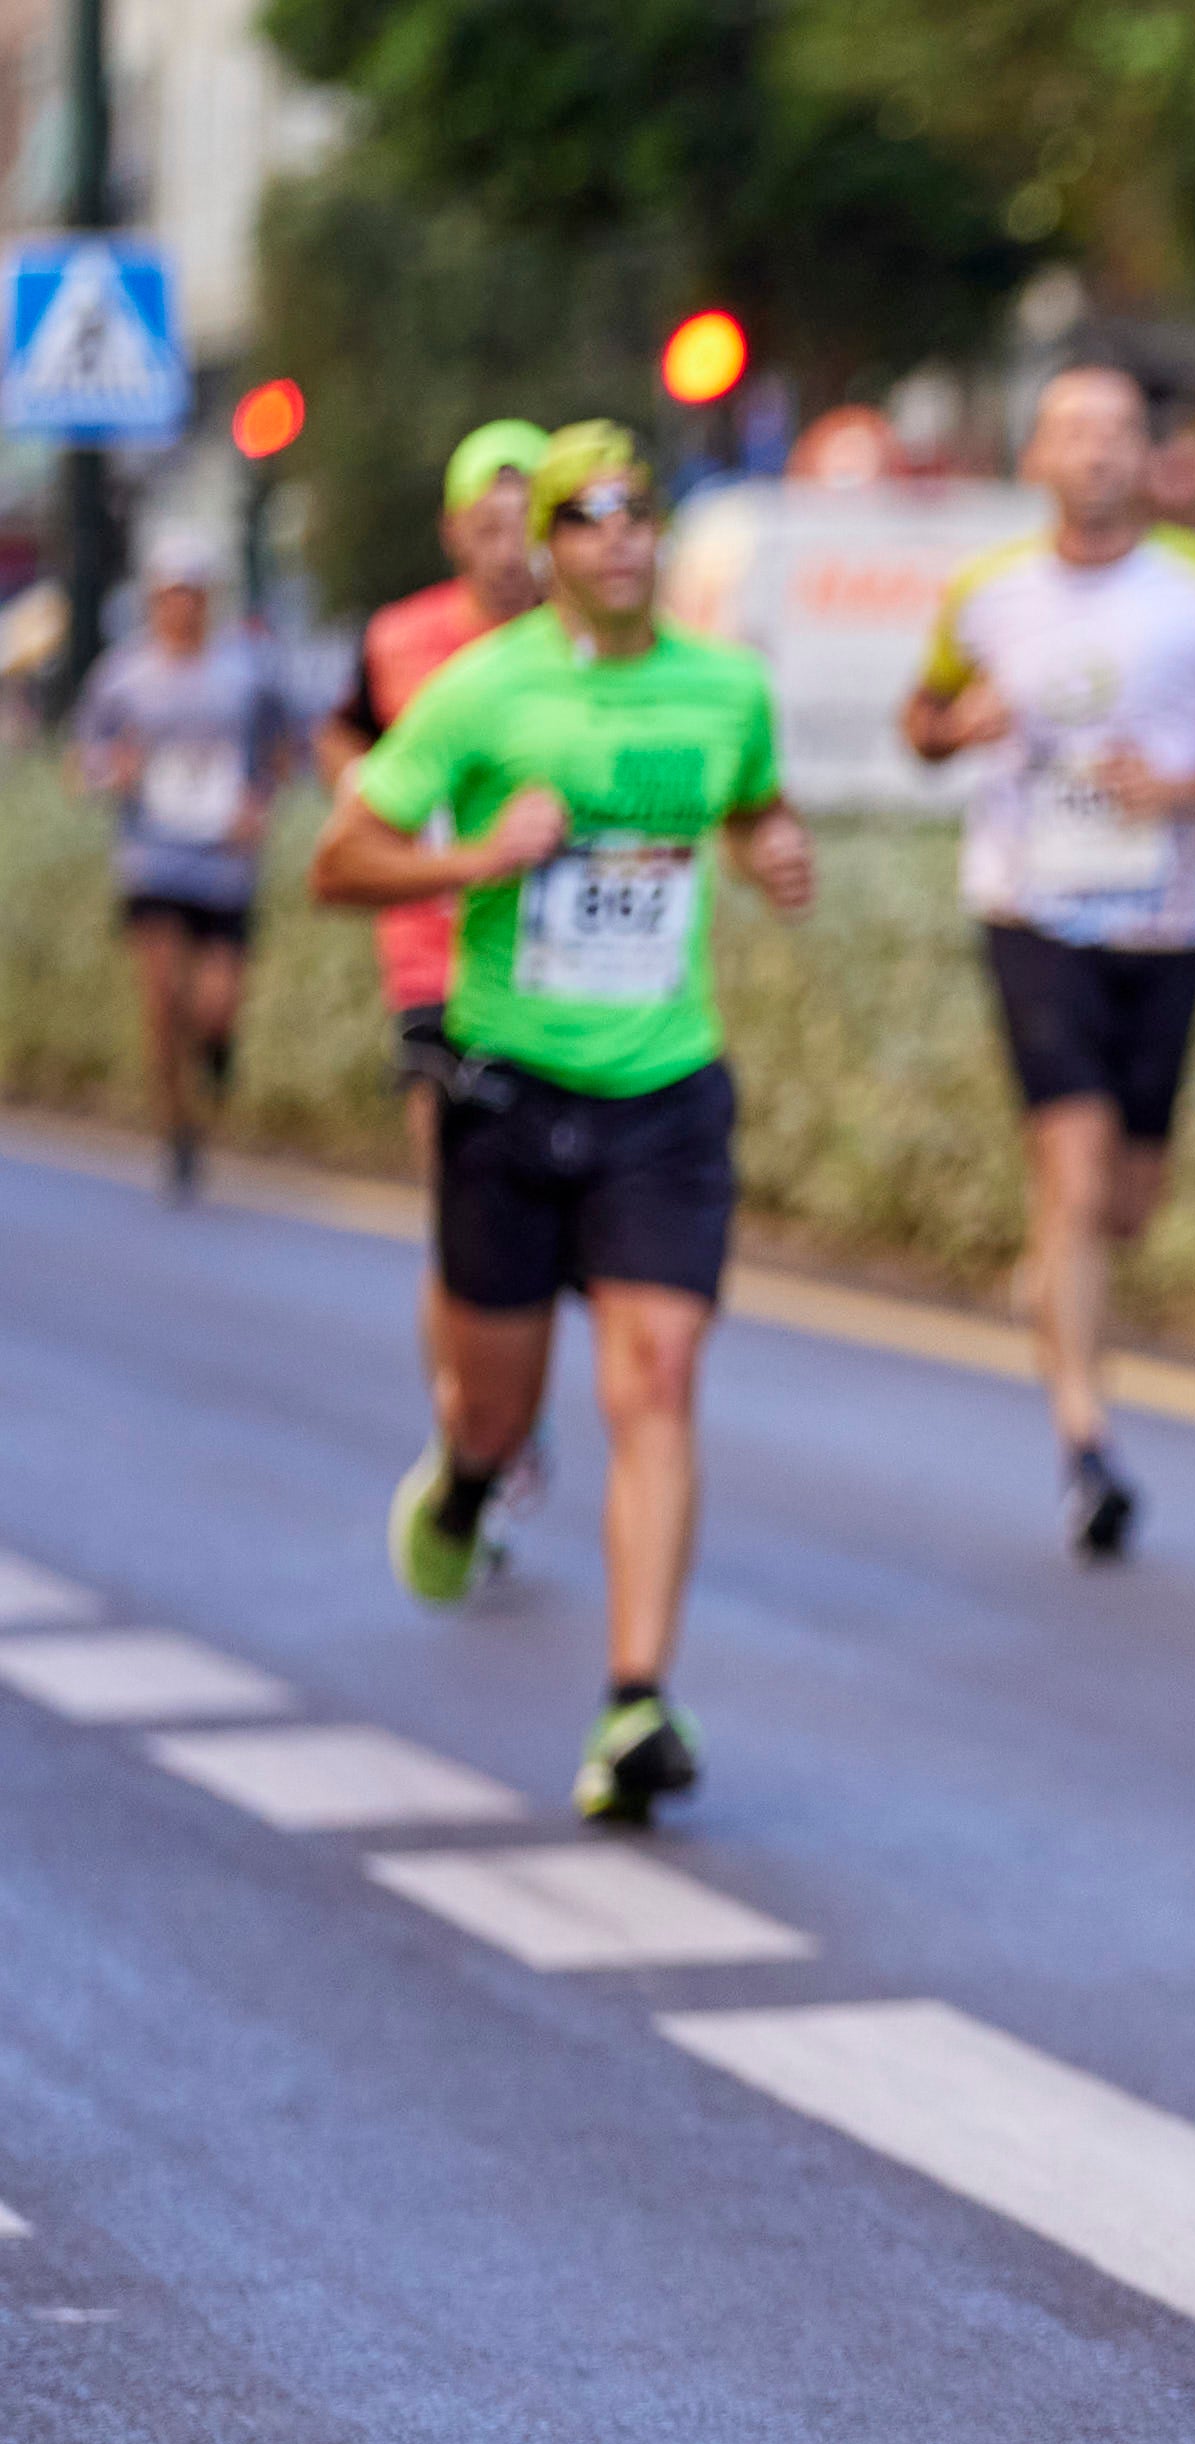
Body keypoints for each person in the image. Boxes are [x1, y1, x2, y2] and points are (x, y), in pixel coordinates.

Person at [310, 423, 815, 1824]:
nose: (617, 538)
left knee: (654, 1380)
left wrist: (775, 853)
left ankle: (633, 1700)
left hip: (664, 1087)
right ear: (548, 548)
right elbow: (337, 858)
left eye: (635, 511)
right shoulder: (480, 692)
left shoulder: (726, 690)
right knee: (499, 1402)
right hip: (509, 1089)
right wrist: (476, 854)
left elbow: (757, 811)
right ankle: (467, 1476)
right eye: (584, 518)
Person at [902, 365, 1195, 1560]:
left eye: (1118, 434)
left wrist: (1188, 785)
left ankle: (1058, 1277)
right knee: (1073, 1176)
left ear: (1147, 461)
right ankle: (1087, 1444)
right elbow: (920, 722)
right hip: (1033, 911)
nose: (1094, 454)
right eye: (1072, 433)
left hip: (1171, 917)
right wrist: (952, 727)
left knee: (1125, 1204)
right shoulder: (986, 595)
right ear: (1036, 457)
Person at [316, 418, 552, 1166]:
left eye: (527, 528)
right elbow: (342, 731)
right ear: (454, 532)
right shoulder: (398, 636)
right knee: (456, 1182)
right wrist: (368, 796)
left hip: (550, 952)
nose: (509, 553)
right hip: (430, 935)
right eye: (489, 529)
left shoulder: (591, 649)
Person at [71, 530, 292, 1202]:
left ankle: (216, 1058)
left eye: (192, 594)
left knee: (216, 1005)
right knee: (163, 999)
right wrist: (115, 772)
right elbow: (82, 762)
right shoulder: (122, 675)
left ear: (208, 598)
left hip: (224, 863)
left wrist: (261, 803)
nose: (182, 607)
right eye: (171, 594)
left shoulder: (246, 671)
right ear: (154, 600)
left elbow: (282, 748)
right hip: (152, 858)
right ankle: (177, 1132)